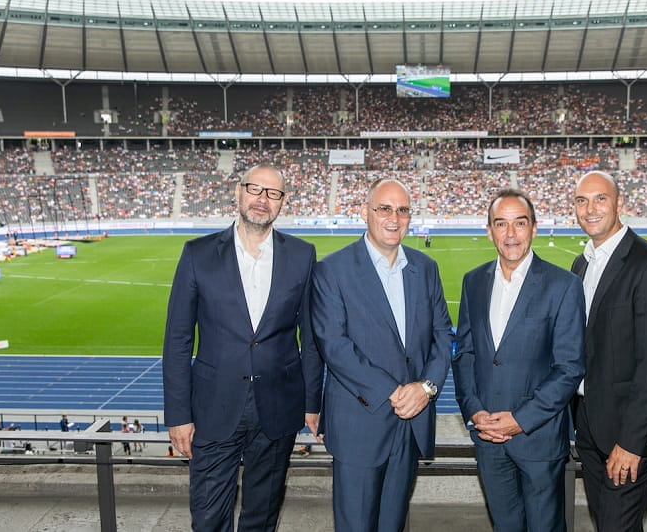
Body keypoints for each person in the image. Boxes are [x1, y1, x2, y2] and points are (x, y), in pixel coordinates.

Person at [162, 164, 323, 531]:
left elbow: (310, 337)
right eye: (255, 189)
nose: (263, 200)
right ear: (238, 192)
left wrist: (312, 402)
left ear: (283, 202)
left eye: (273, 194)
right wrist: (177, 415)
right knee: (207, 518)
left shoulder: (302, 255)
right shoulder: (197, 254)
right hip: (213, 408)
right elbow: (177, 340)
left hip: (277, 408)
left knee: (261, 518)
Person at [311, 177, 452, 532]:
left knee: (393, 523)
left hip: (411, 421)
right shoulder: (332, 270)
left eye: (402, 210)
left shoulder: (426, 268)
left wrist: (427, 388)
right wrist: (395, 392)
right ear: (365, 213)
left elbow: (442, 336)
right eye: (384, 209)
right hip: (361, 421)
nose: (394, 218)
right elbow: (334, 344)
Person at [452, 189, 586, 531]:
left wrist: (521, 419)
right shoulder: (473, 282)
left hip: (538, 439)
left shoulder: (564, 285)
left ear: (534, 229)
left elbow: (569, 367)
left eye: (519, 223)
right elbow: (465, 353)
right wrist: (474, 410)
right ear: (489, 231)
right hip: (487, 438)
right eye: (501, 224)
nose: (511, 234)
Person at [571, 171, 647, 532]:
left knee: (615, 526)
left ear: (620, 203)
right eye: (581, 200)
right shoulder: (581, 264)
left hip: (627, 433)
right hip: (589, 424)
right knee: (611, 523)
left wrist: (632, 443)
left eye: (600, 199)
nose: (590, 209)